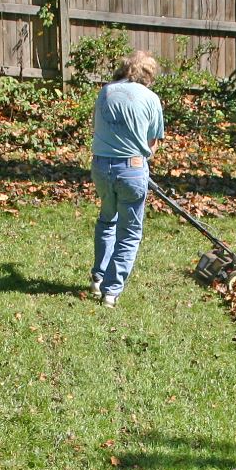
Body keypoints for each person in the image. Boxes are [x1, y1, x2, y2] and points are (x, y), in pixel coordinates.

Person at [89, 50, 164, 308]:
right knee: (130, 232)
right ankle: (111, 291)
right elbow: (152, 143)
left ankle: (98, 278)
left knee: (107, 219)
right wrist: (141, 162)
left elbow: (97, 128)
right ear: (149, 75)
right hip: (131, 168)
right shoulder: (151, 99)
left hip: (100, 166)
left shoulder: (105, 92)